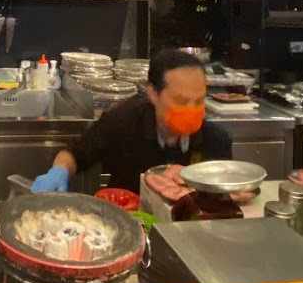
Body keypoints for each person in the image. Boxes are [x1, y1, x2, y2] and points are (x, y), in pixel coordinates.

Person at [31, 49, 231, 194]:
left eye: (199, 101)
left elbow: (221, 200)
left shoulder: (216, 141)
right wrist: (58, 172)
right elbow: (75, 154)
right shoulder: (123, 121)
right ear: (153, 93)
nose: (191, 109)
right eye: (180, 101)